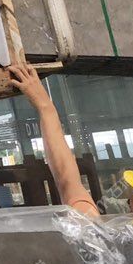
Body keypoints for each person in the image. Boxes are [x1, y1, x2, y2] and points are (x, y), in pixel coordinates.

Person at [9, 63, 99, 216]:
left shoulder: (89, 223)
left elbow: (68, 180)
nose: (129, 201)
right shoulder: (92, 225)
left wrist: (45, 106)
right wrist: (45, 107)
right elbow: (68, 182)